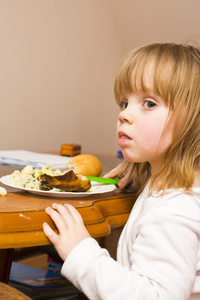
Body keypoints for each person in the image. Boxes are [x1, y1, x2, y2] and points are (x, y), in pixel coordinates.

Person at [42, 43, 200, 300]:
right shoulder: (171, 185)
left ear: (194, 122)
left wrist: (81, 253)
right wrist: (139, 164)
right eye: (124, 103)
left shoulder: (173, 214)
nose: (124, 114)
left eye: (148, 103)